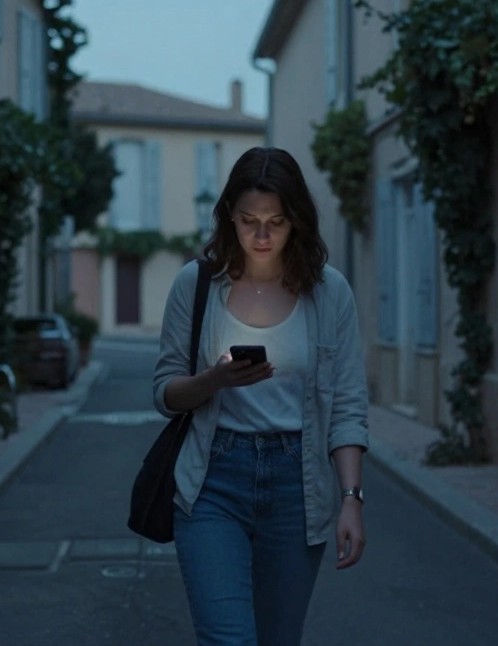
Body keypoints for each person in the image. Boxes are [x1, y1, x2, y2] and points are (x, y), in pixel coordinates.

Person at [151, 146, 370, 646]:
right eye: (250, 220)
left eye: (276, 221)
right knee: (228, 640)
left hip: (298, 485)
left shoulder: (329, 292)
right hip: (213, 479)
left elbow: (348, 404)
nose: (263, 235)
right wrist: (215, 380)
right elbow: (164, 393)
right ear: (230, 215)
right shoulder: (197, 284)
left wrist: (351, 500)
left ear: (297, 221)